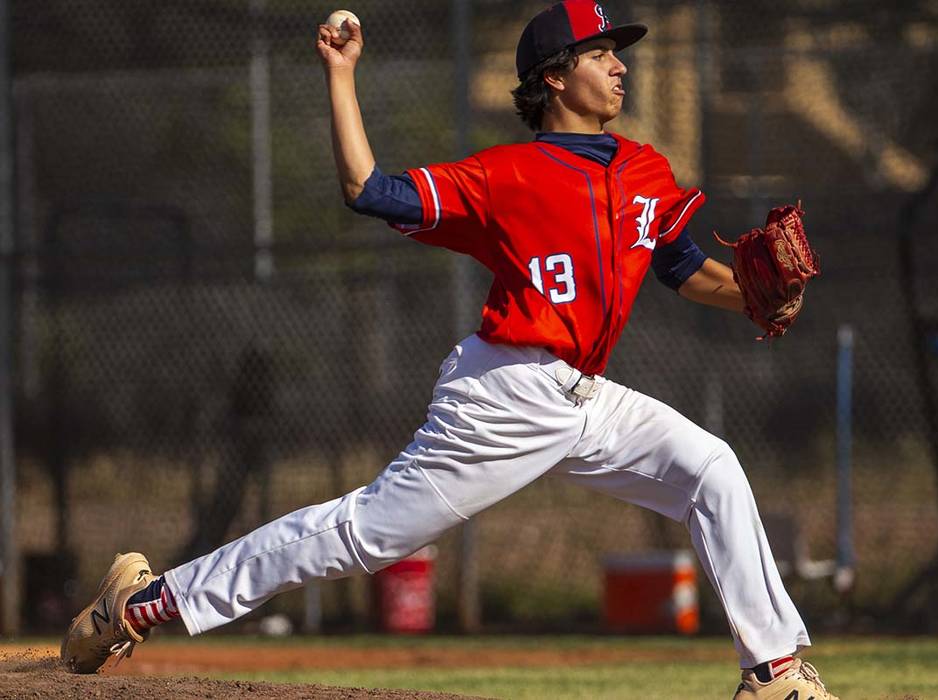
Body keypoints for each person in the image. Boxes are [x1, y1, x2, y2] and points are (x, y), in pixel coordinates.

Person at [61, 3, 837, 698]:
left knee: (711, 470)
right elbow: (368, 188)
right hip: (506, 397)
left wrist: (754, 294)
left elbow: (679, 268)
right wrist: (341, 73)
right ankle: (145, 601)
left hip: (590, 398)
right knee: (365, 536)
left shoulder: (645, 170)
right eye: (601, 52)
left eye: (616, 51)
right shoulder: (501, 176)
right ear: (555, 77)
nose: (620, 64)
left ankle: (770, 674)